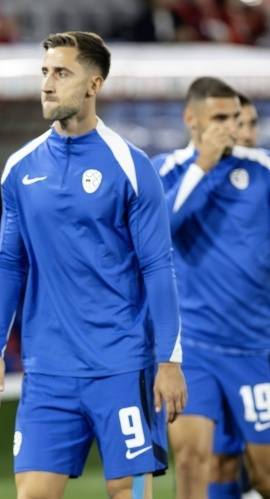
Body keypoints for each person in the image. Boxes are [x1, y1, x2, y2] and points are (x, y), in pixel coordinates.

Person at [0, 31, 186, 499]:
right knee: (32, 493)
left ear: (94, 84)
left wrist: (169, 360)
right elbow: (9, 263)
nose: (47, 84)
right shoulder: (20, 167)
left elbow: (158, 267)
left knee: (127, 492)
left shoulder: (131, 166)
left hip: (122, 366)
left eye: (62, 73)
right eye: (44, 72)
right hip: (48, 370)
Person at [152, 77, 270, 499]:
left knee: (264, 475)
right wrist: (203, 164)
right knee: (193, 461)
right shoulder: (167, 170)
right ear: (191, 119)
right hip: (193, 349)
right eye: (219, 118)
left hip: (256, 348)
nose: (230, 127)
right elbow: (159, 230)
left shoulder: (262, 169)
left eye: (235, 117)